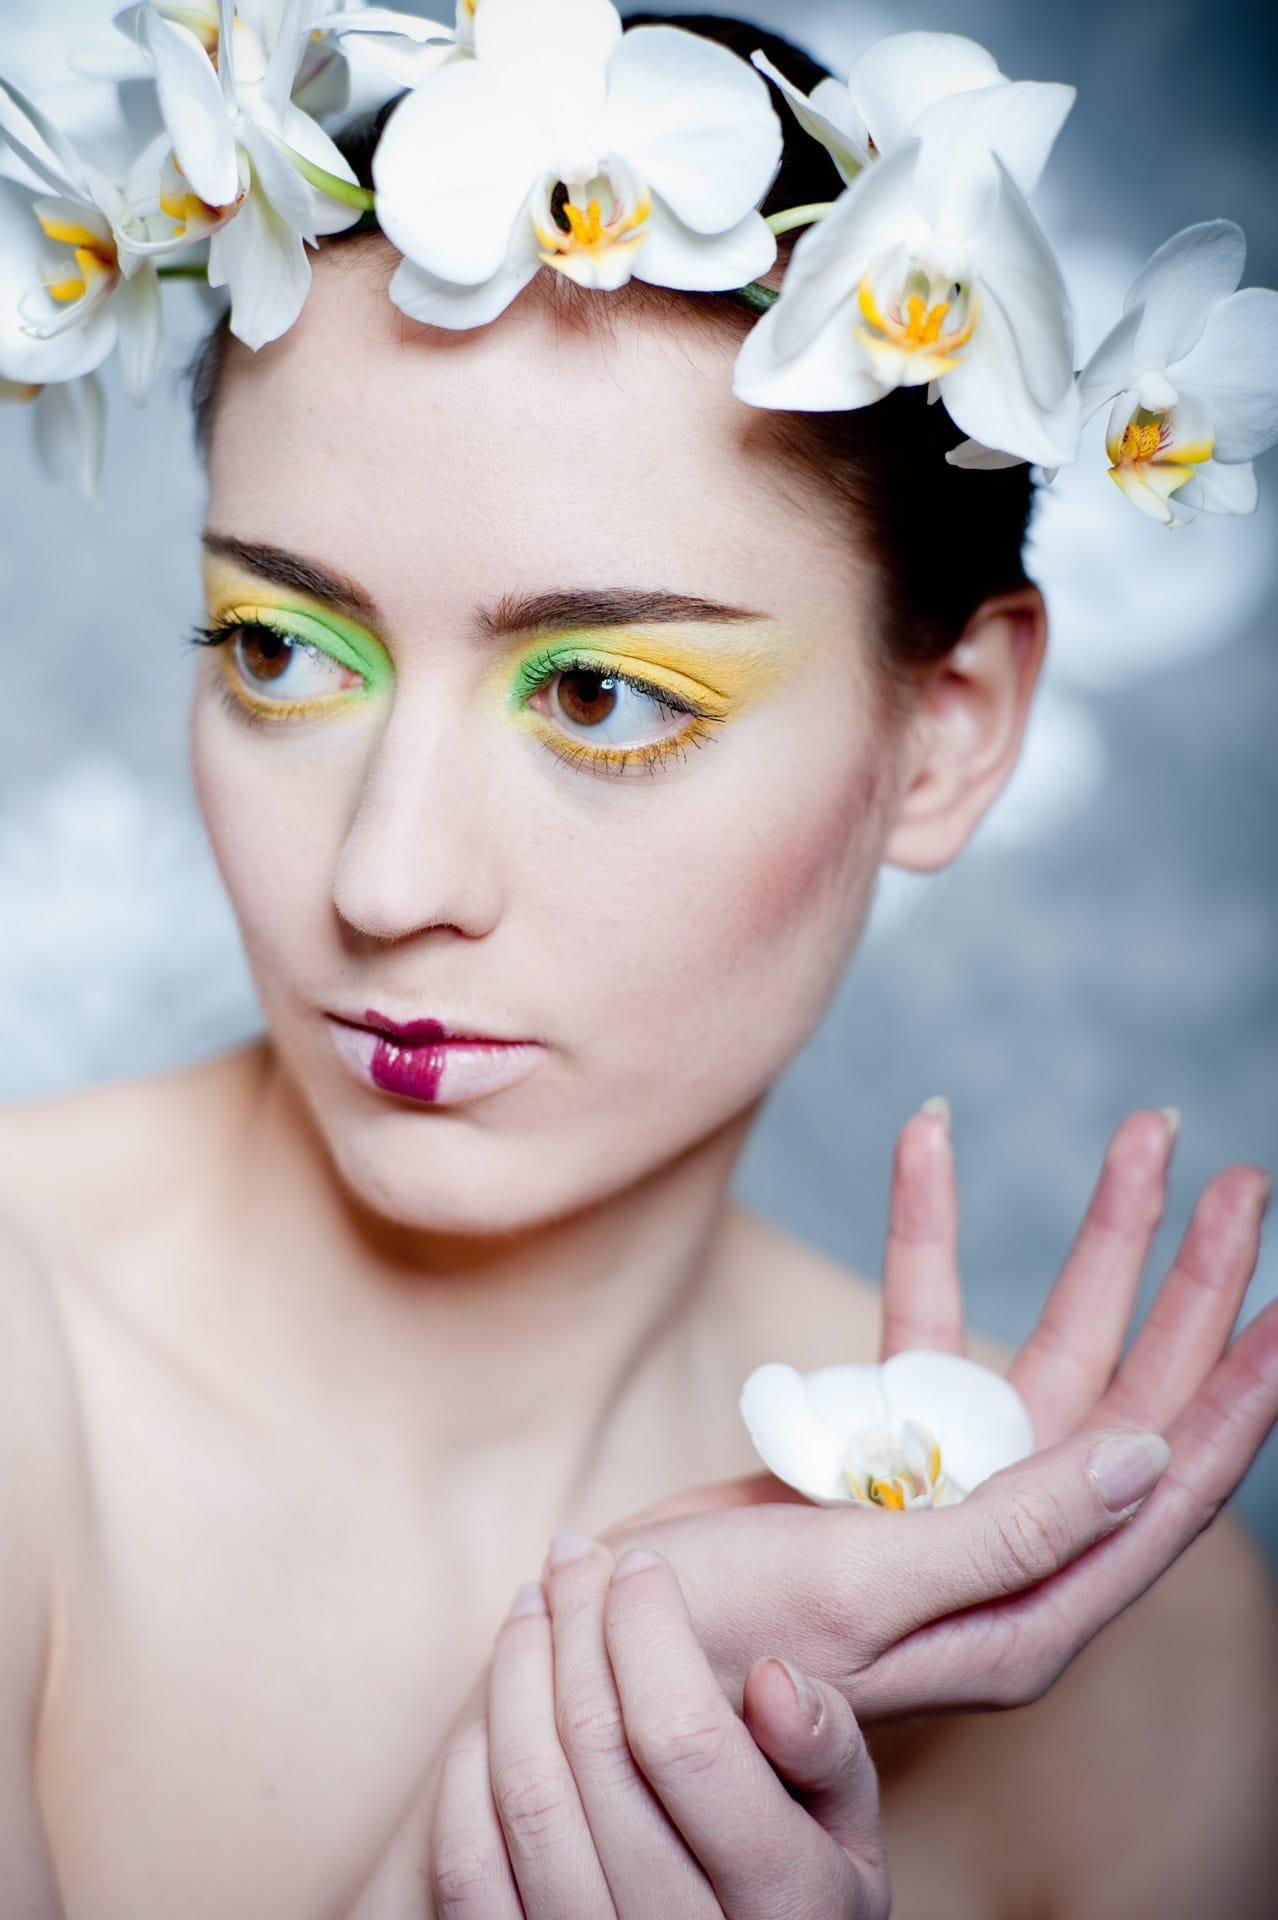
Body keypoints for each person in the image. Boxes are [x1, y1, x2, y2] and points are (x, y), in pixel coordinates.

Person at [1, 7, 1276, 1917]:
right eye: (281, 651)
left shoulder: (1138, 1664)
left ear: (947, 731)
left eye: (597, 694)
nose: (385, 877)